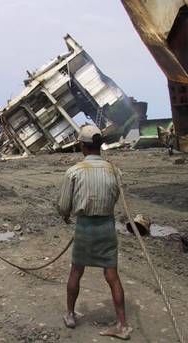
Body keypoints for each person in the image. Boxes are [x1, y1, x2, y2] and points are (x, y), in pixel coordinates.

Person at [58, 125, 132, 340]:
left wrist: (66, 215)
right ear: (99, 145)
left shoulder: (74, 171)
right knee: (112, 275)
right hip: (107, 227)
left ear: (82, 146)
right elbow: (117, 196)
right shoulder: (113, 170)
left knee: (76, 271)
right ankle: (122, 324)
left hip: (85, 228)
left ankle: (70, 315)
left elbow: (64, 206)